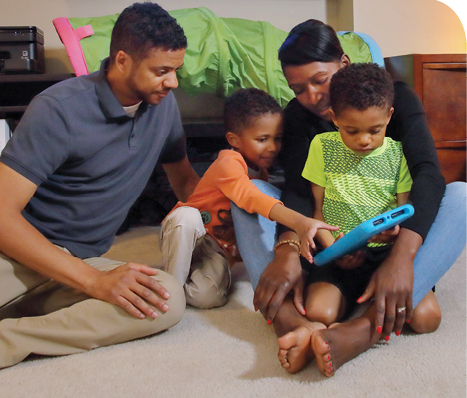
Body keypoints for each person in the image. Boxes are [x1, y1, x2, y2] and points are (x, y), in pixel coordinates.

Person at [231, 19, 466, 377]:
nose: (311, 97)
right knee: (250, 194)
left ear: (342, 64)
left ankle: (364, 330)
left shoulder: (396, 98)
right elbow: (297, 190)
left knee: (461, 196)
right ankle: (289, 318)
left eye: (319, 81)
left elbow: (428, 176)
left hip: (392, 239)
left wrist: (402, 255)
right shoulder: (298, 117)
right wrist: (288, 247)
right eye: (298, 88)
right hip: (327, 238)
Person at [0, 2, 201, 368]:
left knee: (165, 298)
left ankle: (10, 339)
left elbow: (185, 179)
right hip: (20, 255)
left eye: (176, 70)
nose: (172, 82)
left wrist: (227, 228)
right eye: (161, 71)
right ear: (122, 60)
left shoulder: (163, 106)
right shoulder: (58, 109)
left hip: (81, 262)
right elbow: (1, 217)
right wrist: (94, 283)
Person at [160, 88, 337, 309]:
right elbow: (249, 196)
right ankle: (170, 288)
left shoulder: (261, 174)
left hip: (217, 250)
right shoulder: (229, 161)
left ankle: (172, 279)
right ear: (234, 139)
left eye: (278, 139)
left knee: (207, 298)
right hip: (191, 234)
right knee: (186, 216)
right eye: (262, 139)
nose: (272, 148)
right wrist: (298, 221)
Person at [301, 62, 440, 343]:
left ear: (389, 116)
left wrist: (392, 237)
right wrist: (335, 250)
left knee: (427, 319)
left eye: (375, 130)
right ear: (334, 117)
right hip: (338, 254)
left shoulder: (398, 154)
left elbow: (403, 214)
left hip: (386, 256)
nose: (364, 140)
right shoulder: (321, 147)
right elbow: (317, 212)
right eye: (352, 131)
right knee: (319, 313)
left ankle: (365, 304)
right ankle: (357, 298)